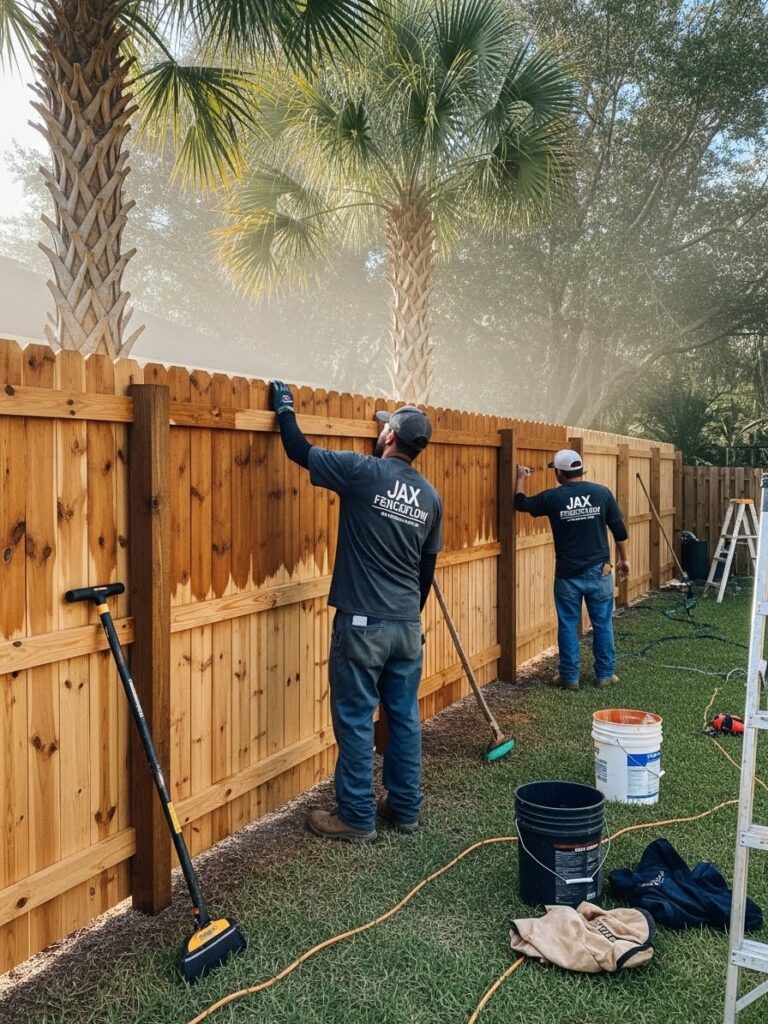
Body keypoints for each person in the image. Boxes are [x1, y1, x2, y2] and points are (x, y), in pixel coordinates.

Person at [270, 381, 443, 842]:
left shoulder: (361, 472)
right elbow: (427, 568)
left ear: (389, 438)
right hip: (407, 624)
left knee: (353, 717)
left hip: (363, 624)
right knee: (403, 716)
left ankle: (356, 817)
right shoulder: (430, 497)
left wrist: (285, 408)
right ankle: (404, 809)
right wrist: (411, 615)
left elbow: (298, 450)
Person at [515, 449, 630, 690]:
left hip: (568, 576)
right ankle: (605, 675)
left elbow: (521, 504)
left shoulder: (553, 498)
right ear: (580, 470)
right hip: (600, 572)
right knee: (603, 623)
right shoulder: (602, 493)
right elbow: (619, 530)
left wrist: (521, 478)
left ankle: (569, 678)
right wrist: (623, 559)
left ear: (559, 472)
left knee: (568, 625)